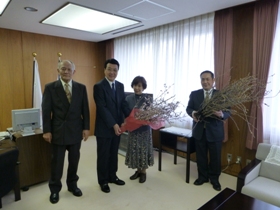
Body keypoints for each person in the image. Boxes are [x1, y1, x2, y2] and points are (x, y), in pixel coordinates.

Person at [42, 60, 90, 204]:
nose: (66, 71)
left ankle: (72, 185)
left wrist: (86, 128)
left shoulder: (81, 88)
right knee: (57, 162)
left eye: (69, 69)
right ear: (58, 70)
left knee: (74, 160)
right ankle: (55, 190)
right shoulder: (50, 87)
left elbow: (85, 110)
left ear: (73, 72)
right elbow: (46, 111)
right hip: (58, 131)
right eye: (63, 69)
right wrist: (47, 131)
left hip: (75, 130)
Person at [186, 70, 230, 191]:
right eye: (202, 79)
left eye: (207, 79)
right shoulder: (194, 94)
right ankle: (202, 177)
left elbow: (228, 111)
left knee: (215, 157)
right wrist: (193, 113)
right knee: (201, 156)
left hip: (215, 132)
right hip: (199, 131)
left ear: (213, 80)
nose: (205, 82)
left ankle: (214, 179)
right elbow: (189, 108)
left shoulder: (221, 95)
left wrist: (221, 114)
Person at [93, 58, 130, 193]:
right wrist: (114, 124)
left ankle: (112, 176)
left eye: (115, 70)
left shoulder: (120, 85)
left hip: (118, 128)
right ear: (104, 70)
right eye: (109, 69)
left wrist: (130, 117)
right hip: (104, 128)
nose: (112, 72)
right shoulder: (98, 86)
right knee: (103, 155)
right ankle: (103, 181)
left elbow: (123, 104)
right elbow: (102, 108)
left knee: (113, 153)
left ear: (118, 71)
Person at [125, 76, 154, 183]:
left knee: (143, 150)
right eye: (135, 85)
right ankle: (137, 170)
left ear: (143, 87)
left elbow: (151, 114)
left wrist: (145, 117)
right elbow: (126, 113)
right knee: (135, 149)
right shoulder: (128, 98)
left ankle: (143, 172)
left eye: (139, 86)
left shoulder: (148, 99)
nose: (137, 88)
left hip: (144, 129)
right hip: (133, 129)